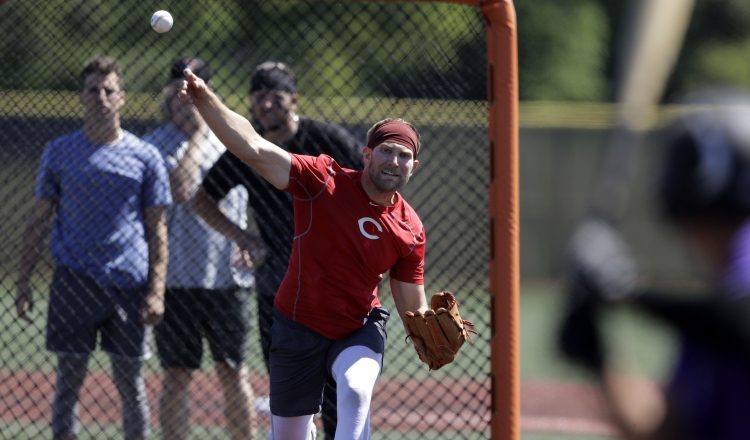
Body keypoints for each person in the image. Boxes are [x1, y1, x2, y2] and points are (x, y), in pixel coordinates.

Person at [180, 67, 432, 439]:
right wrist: (205, 100)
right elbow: (251, 146)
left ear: (414, 165)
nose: (394, 161)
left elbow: (413, 305)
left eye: (404, 156)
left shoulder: (410, 228)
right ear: (367, 154)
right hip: (297, 323)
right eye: (386, 151)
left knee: (356, 390)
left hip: (357, 327)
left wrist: (430, 329)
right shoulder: (322, 180)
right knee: (289, 435)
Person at [557, 89, 750, 440]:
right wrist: (599, 359)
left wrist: (626, 290)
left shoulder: (726, 302)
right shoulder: (709, 313)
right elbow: (666, 429)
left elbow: (738, 320)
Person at [189, 61, 362, 436]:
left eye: (275, 96)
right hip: (277, 282)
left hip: (331, 281)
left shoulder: (325, 140)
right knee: (287, 386)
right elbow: (201, 199)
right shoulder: (251, 151)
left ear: (294, 100)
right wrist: (243, 237)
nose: (266, 105)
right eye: (258, 97)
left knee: (336, 386)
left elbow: (368, 188)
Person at [14, 55, 171, 440]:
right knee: (68, 384)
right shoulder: (59, 152)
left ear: (122, 98)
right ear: (81, 97)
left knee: (130, 385)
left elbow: (158, 229)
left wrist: (156, 289)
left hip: (127, 285)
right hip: (74, 280)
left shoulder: (145, 156)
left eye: (108, 90)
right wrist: (23, 280)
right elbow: (39, 220)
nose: (100, 96)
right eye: (93, 90)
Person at [144, 58, 264, 440]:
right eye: (180, 91)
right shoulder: (154, 146)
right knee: (177, 374)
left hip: (227, 278)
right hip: (177, 279)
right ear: (169, 96)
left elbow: (257, 196)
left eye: (195, 90)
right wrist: (198, 134)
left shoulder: (232, 140)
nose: (186, 98)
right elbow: (182, 190)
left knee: (234, 371)